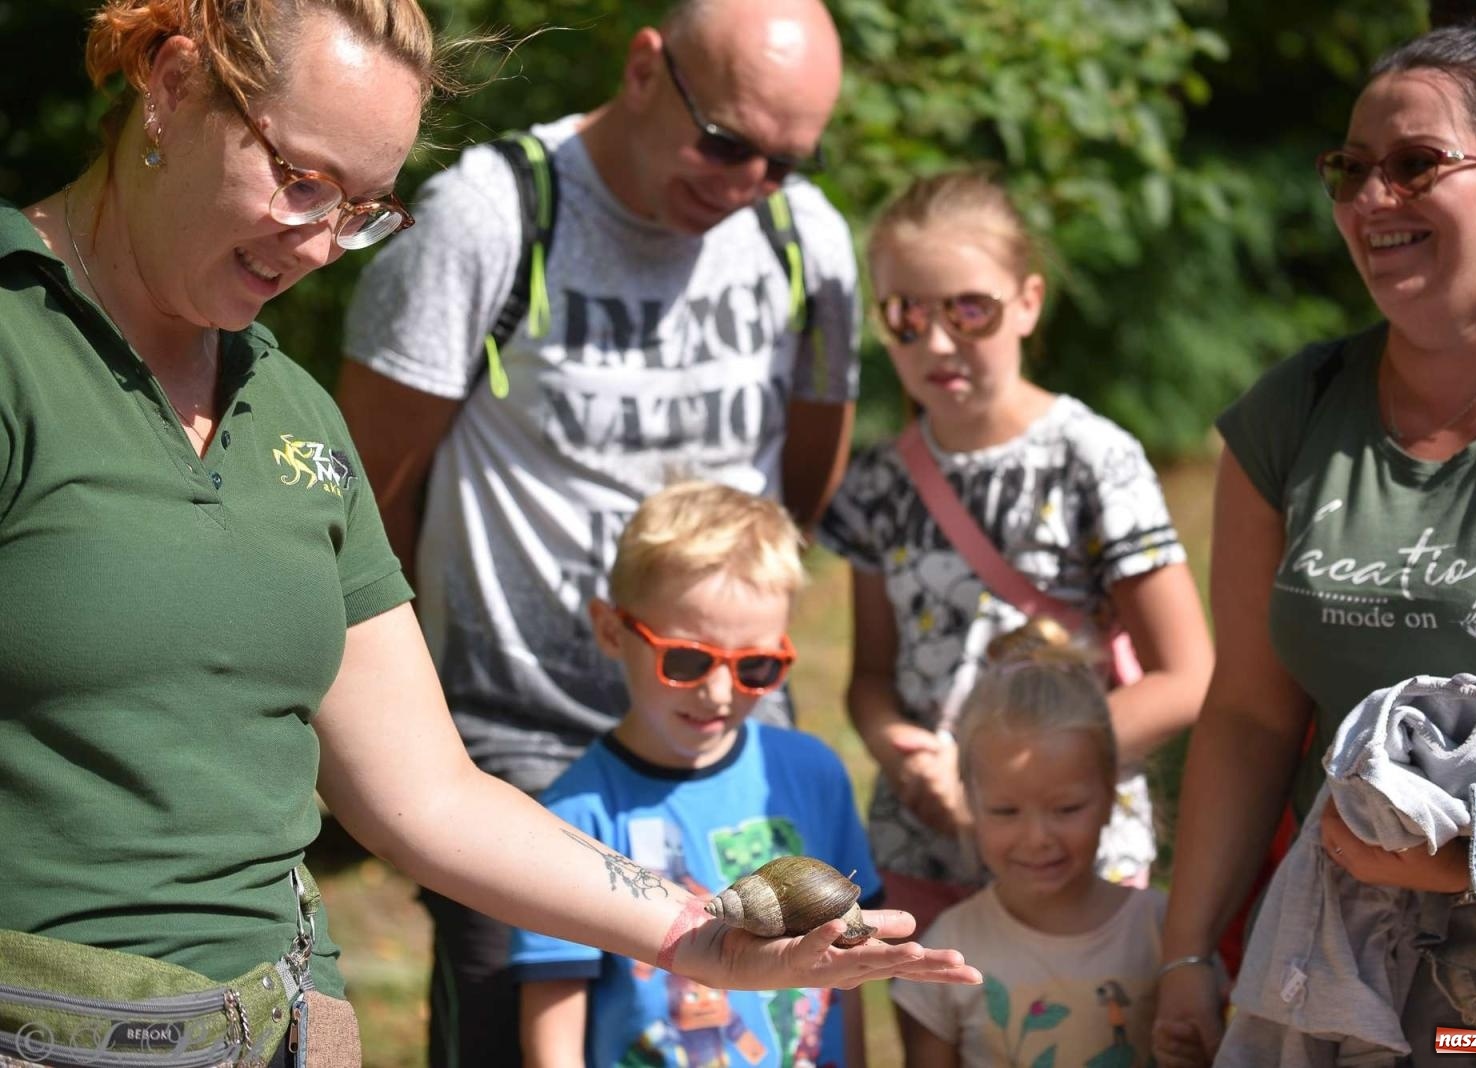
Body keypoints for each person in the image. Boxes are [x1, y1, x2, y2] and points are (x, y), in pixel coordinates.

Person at [0, 2, 976, 1065]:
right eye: (301, 180)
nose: (323, 242)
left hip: (281, 1029)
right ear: (175, 84)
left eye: (363, 209)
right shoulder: (18, 345)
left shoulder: (290, 410)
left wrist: (699, 936)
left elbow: (428, 796)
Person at [335, 0, 859, 1056]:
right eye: (726, 142)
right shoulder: (493, 215)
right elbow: (360, 488)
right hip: (519, 739)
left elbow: (805, 480)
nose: (749, 182)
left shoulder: (807, 240)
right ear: (643, 69)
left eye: (784, 161)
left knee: (745, 1033)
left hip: (727, 727)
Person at [1153, 11, 1476, 1065]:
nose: (1368, 201)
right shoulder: (1292, 412)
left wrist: (1465, 860)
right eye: (1350, 169)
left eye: (1414, 166)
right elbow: (1250, 716)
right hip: (1324, 972)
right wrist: (1184, 953)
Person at [818, 171, 1213, 932]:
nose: (937, 341)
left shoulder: (1094, 458)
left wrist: (1019, 779)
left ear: (1027, 302)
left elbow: (1185, 676)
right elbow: (870, 678)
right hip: (924, 848)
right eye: (906, 314)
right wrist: (902, 754)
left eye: (970, 309)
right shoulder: (877, 481)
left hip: (1074, 850)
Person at [510, 481, 877, 1068]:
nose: (718, 692)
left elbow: (846, 984)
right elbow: (555, 1011)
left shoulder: (813, 775)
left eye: (755, 666)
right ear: (611, 631)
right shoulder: (573, 816)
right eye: (686, 659)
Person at [890, 619, 1195, 1068]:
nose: (1038, 838)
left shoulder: (1165, 934)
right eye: (1006, 812)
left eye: (1067, 809)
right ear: (969, 800)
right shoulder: (946, 951)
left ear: (1111, 795)